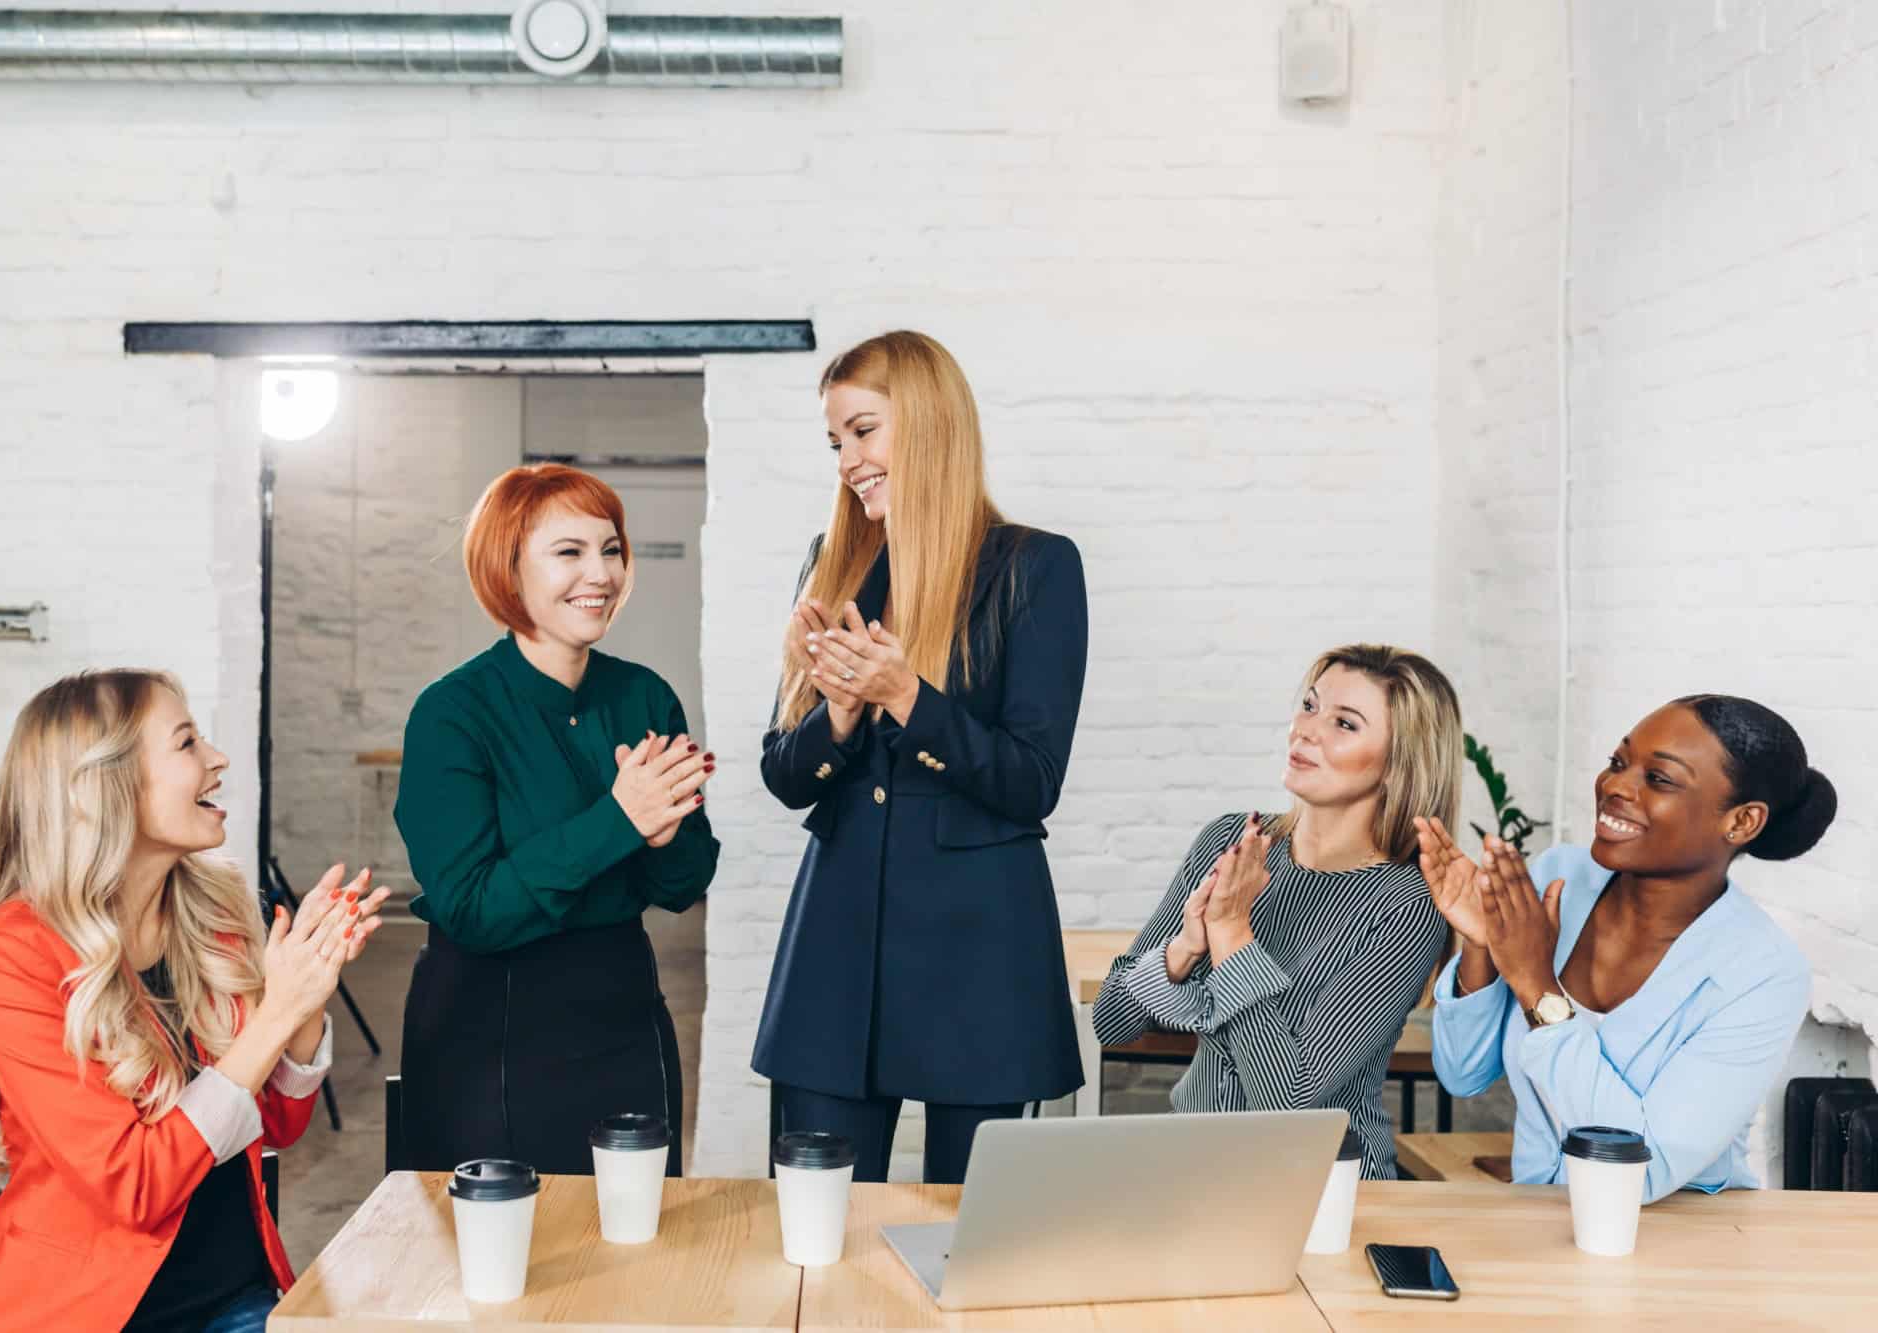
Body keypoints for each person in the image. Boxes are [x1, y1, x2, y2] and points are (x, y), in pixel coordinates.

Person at [0, 669, 385, 1333]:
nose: (218, 758)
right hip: (80, 1314)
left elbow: (278, 1123)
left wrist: (307, 992)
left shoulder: (212, 914)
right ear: (104, 786)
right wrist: (278, 1011)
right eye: (187, 743)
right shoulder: (11, 956)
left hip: (234, 1301)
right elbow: (133, 1185)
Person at [752, 329, 1088, 1184]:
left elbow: (1032, 782)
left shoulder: (1036, 568)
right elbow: (785, 775)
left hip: (981, 954)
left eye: (862, 431)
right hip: (835, 954)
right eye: (835, 441)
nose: (847, 460)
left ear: (930, 423)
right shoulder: (832, 567)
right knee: (815, 1226)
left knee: (967, 1235)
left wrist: (906, 696)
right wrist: (837, 712)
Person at [394, 463, 718, 1177]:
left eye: (611, 549)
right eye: (568, 552)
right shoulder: (452, 714)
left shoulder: (645, 696)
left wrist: (664, 836)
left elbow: (684, 881)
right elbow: (472, 909)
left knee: (633, 1241)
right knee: (503, 1263)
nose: (599, 573)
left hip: (625, 1010)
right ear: (507, 569)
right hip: (490, 1026)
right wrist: (620, 820)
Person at [1422, 694, 1833, 1201]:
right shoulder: (1557, 880)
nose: (1615, 786)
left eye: (1658, 778)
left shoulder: (1764, 972)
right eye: (1618, 762)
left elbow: (1643, 1168)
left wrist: (1536, 986)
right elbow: (1462, 1073)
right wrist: (1484, 946)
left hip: (1682, 1239)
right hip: (1538, 1221)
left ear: (1741, 822)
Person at [1092, 644, 1462, 1179]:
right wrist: (1186, 948)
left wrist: (1231, 933)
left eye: (1345, 724)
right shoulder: (1231, 840)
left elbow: (1286, 1099)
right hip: (1192, 1170)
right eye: (1310, 706)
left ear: (1398, 764)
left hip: (1320, 1187)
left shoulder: (1406, 904)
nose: (1307, 730)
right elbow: (1112, 1022)